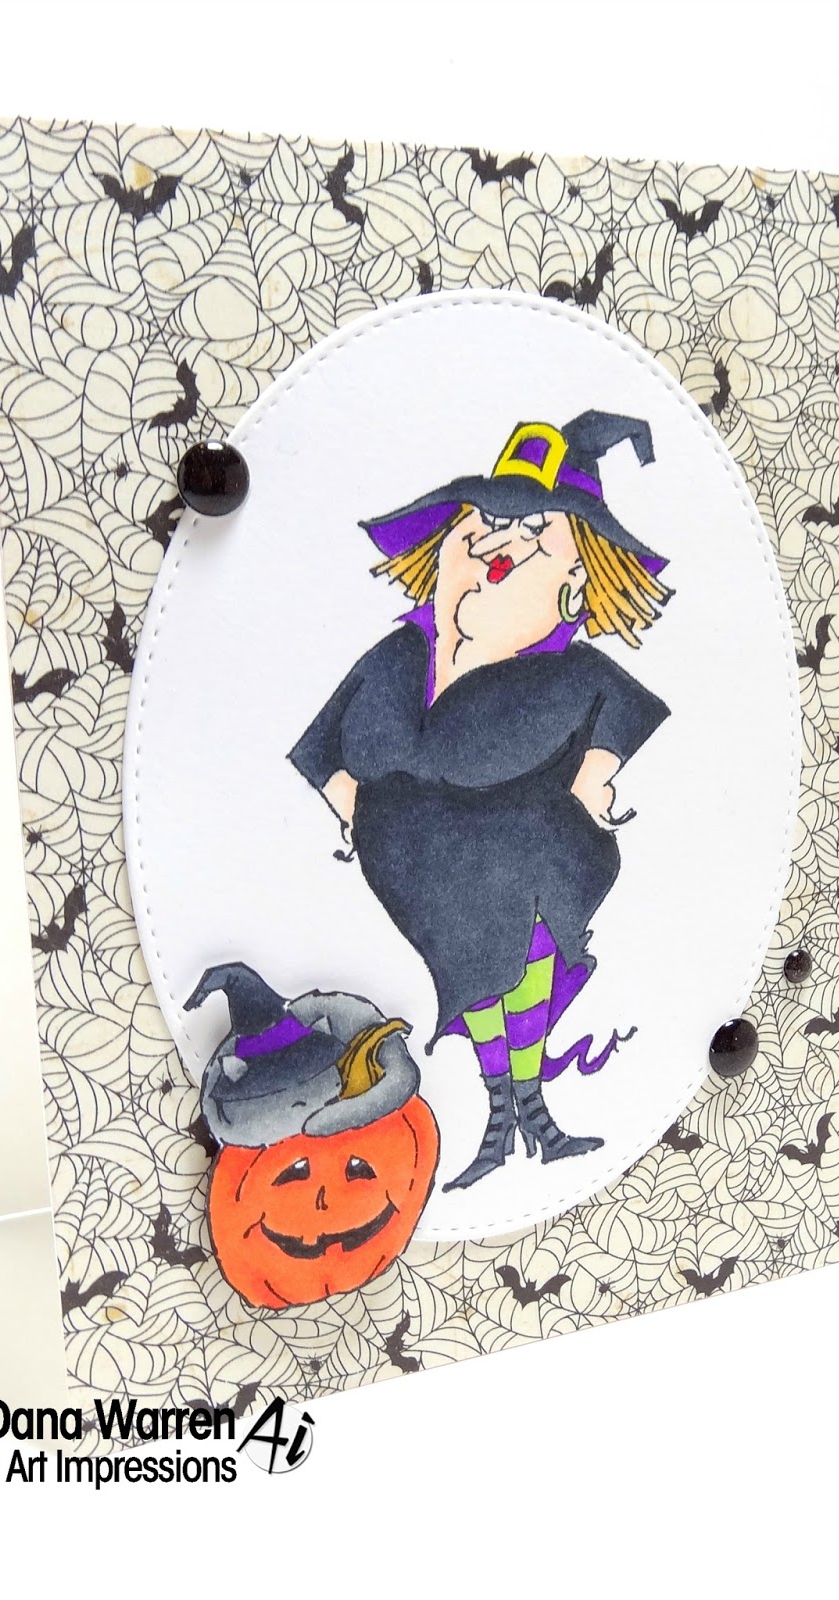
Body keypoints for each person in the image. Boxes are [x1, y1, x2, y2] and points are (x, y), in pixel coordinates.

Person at [290, 411, 673, 1190]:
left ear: (575, 588)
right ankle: (509, 1112)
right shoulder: (398, 658)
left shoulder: (566, 674)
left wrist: (595, 775)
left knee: (518, 980)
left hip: (525, 867)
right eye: (484, 523)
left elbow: (622, 708)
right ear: (440, 551)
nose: (501, 541)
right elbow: (319, 744)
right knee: (477, 989)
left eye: (535, 533)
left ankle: (523, 1112)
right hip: (424, 873)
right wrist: (349, 804)